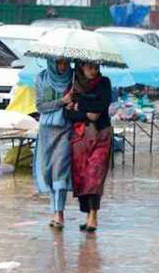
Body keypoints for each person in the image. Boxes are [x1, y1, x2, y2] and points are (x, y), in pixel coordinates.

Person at [65, 62, 112, 233]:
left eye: (96, 67)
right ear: (81, 68)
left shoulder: (104, 82)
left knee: (95, 174)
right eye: (89, 68)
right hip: (80, 137)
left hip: (101, 135)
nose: (94, 71)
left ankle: (94, 216)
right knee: (81, 176)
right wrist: (84, 112)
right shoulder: (73, 85)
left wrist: (80, 102)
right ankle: (87, 215)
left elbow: (101, 107)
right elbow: (67, 114)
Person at [33, 58, 74, 229]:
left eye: (65, 63)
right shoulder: (42, 78)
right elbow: (40, 106)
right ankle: (54, 210)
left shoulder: (74, 78)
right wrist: (61, 102)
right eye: (58, 63)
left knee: (60, 170)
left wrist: (73, 104)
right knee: (48, 169)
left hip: (65, 129)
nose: (62, 67)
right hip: (46, 132)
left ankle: (59, 213)